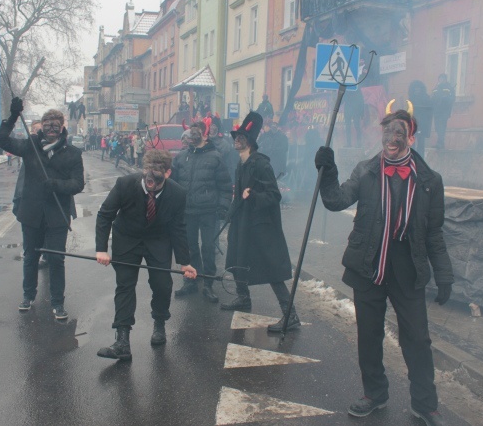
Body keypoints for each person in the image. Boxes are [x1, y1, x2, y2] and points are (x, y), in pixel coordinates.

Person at [314, 107, 453, 426]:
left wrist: (444, 274)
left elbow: (434, 232)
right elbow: (336, 201)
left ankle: (425, 404)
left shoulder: (430, 180)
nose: (391, 138)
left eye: (399, 132)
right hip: (369, 265)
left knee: (417, 338)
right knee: (369, 335)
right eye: (387, 131)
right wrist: (328, 170)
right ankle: (374, 394)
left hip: (408, 267)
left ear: (411, 137)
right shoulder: (366, 170)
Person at [95, 149, 197, 361]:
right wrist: (101, 249)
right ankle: (122, 340)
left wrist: (185, 262)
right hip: (127, 238)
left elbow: (178, 228)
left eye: (156, 174)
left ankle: (159, 323)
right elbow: (105, 215)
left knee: (162, 284)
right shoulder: (125, 184)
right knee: (125, 284)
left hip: (158, 239)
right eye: (147, 172)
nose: (150, 178)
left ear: (167, 173)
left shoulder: (178, 194)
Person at [0, 97, 85, 320]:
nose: (52, 129)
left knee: (56, 259)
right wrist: (14, 115)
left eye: (56, 125)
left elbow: (78, 183)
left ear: (62, 127)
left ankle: (57, 302)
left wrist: (58, 185)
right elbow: (0, 139)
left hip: (57, 214)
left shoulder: (72, 153)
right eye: (47, 125)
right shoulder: (30, 146)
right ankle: (28, 295)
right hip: (32, 213)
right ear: (42, 127)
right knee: (30, 257)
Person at [220, 111, 300, 333]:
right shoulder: (241, 163)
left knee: (272, 270)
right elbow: (238, 196)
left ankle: (290, 315)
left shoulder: (261, 164)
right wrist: (230, 213)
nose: (236, 139)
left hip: (261, 226)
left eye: (241, 137)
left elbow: (274, 196)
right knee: (237, 259)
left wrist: (253, 196)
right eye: (236, 136)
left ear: (250, 142)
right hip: (242, 222)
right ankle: (243, 298)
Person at [172, 121, 232, 303]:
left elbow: (225, 185)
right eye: (191, 132)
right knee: (190, 247)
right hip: (187, 211)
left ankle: (208, 284)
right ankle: (191, 280)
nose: (192, 135)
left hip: (208, 211)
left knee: (208, 247)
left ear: (204, 135)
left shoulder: (215, 156)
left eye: (197, 132)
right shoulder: (181, 157)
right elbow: (173, 183)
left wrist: (223, 207)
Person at [408, 80, 433, 157]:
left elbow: (429, 112)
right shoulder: (411, 99)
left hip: (422, 124)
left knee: (421, 143)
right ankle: (412, 157)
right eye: (415, 89)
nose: (416, 90)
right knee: (412, 142)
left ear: (421, 89)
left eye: (418, 89)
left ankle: (421, 158)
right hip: (413, 124)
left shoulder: (426, 98)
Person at [431, 74, 455, 149]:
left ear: (445, 79)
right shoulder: (436, 88)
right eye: (440, 79)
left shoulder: (449, 88)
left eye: (442, 79)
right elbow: (432, 98)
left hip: (444, 111)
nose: (441, 80)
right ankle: (440, 142)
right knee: (437, 127)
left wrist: (446, 99)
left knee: (442, 127)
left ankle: (440, 143)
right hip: (437, 111)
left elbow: (452, 99)